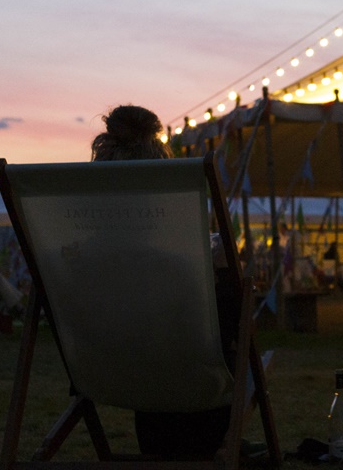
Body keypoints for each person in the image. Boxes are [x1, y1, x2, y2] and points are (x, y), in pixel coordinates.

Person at [91, 104, 239, 461]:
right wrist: (222, 272)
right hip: (190, 383)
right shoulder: (175, 260)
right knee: (224, 312)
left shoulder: (84, 255)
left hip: (107, 372)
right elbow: (217, 331)